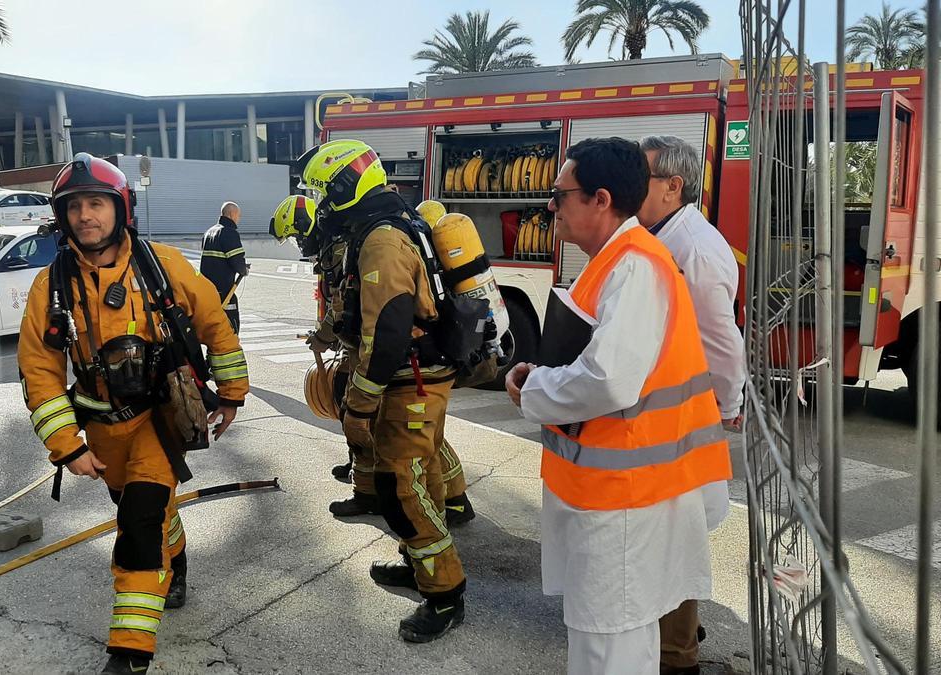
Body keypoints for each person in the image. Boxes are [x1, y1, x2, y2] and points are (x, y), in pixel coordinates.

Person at [505, 137, 732, 674]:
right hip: (620, 497)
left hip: (628, 504)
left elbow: (609, 380)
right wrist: (548, 375)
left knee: (610, 649)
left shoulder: (633, 267)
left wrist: (533, 390)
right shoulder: (616, 262)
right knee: (616, 643)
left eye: (559, 195)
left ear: (600, 199)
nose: (550, 207)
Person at [18, 153, 249, 675]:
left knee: (139, 524)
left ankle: (129, 655)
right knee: (153, 512)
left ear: (120, 208)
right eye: (74, 206)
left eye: (96, 203)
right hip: (103, 433)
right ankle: (180, 564)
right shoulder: (49, 287)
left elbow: (214, 324)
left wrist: (232, 390)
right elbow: (40, 370)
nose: (85, 216)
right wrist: (67, 444)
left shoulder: (162, 265)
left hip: (159, 421)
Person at [297, 139, 466, 643]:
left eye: (327, 192)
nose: (322, 205)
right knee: (422, 476)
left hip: (408, 381)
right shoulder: (391, 224)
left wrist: (360, 401)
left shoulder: (381, 241)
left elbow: (388, 333)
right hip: (422, 375)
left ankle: (444, 595)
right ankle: (421, 566)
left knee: (401, 490)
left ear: (347, 187)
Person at [268, 195, 475, 524]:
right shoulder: (349, 243)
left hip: (386, 355)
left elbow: (344, 306)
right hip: (395, 353)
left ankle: (378, 495)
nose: (298, 243)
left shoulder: (348, 248)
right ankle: (451, 497)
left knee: (376, 425)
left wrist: (322, 338)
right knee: (423, 435)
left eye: (295, 236)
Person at [637, 134, 744, 675]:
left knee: (673, 535)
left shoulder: (695, 250)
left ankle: (678, 656)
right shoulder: (660, 235)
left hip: (685, 416)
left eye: (644, 177)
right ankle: (673, 629)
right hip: (665, 414)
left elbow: (723, 343)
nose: (632, 187)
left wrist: (726, 409)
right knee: (662, 531)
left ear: (673, 187)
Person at [201, 201, 248, 331]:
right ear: (232, 214)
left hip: (208, 289)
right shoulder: (229, 233)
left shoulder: (208, 232)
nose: (239, 219)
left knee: (212, 323)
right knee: (229, 324)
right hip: (224, 290)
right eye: (239, 216)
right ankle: (229, 348)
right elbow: (237, 261)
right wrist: (244, 269)